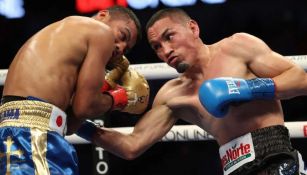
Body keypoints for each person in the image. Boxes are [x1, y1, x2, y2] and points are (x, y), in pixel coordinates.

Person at [77, 8, 307, 174]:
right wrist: (79, 123)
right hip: (233, 168)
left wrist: (247, 89)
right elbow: (132, 146)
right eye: (157, 47)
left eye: (169, 37)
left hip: (275, 156)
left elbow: (300, 79)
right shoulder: (172, 95)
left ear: (193, 28)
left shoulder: (237, 47)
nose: (166, 50)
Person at [0, 5, 142, 175]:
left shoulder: (64, 37)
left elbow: (71, 125)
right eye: (122, 35)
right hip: (35, 135)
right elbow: (85, 107)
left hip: (15, 130)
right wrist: (119, 99)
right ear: (103, 15)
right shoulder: (100, 32)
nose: (120, 47)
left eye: (126, 49)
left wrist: (104, 87)